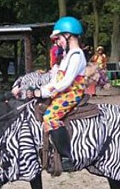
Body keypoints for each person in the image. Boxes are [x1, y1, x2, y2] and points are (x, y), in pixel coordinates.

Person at [34, 17, 87, 172]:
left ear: (68, 35)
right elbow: (56, 79)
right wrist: (40, 91)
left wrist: (44, 91)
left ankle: (66, 157)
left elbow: (65, 82)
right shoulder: (68, 56)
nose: (58, 42)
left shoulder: (77, 55)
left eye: (59, 38)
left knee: (50, 117)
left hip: (71, 93)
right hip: (63, 91)